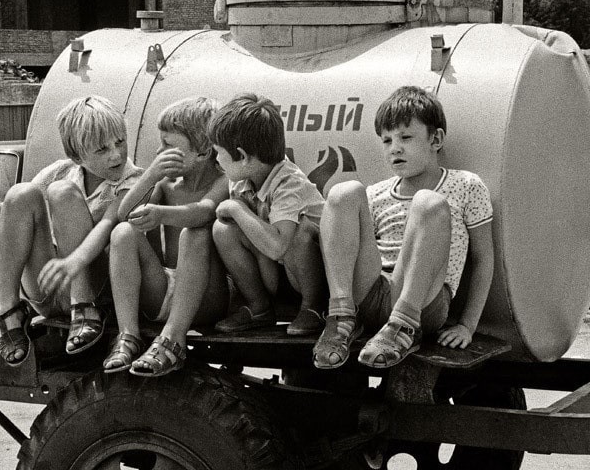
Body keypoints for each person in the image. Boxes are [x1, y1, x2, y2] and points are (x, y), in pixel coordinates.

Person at [313, 86, 494, 369]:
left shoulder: (466, 185)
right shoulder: (377, 193)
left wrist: (467, 326)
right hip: (371, 294)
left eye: (406, 137)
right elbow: (355, 249)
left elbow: (484, 258)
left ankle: (404, 326)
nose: (394, 148)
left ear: (436, 139)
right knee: (343, 192)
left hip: (423, 303)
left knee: (428, 202)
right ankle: (341, 317)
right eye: (386, 141)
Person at [0, 95, 143, 366]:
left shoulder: (132, 181)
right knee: (22, 193)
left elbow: (108, 231)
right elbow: (10, 222)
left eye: (120, 142)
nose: (116, 154)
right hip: (51, 287)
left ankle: (84, 307)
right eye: (102, 149)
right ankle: (9, 309)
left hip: (99, 291)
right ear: (76, 155)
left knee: (62, 193)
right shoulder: (61, 171)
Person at [104, 97, 230, 376]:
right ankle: (129, 335)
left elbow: (203, 213)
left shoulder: (224, 180)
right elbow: (124, 214)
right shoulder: (166, 183)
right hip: (165, 288)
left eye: (169, 146)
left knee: (195, 233)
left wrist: (161, 214)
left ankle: (174, 338)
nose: (160, 152)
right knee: (124, 232)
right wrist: (150, 177)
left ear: (204, 150)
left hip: (207, 295)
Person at [209, 93, 327, 335]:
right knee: (223, 230)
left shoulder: (289, 184)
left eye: (218, 152)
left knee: (298, 232)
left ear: (241, 156)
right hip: (279, 272)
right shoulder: (242, 178)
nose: (216, 160)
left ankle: (313, 308)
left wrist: (236, 208)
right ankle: (259, 307)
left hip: (313, 275)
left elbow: (278, 247)